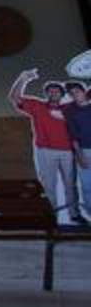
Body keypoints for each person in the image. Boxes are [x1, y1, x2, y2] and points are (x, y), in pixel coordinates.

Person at [9, 69, 85, 224]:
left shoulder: (69, 108)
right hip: (45, 151)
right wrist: (23, 78)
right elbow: (14, 97)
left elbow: (86, 95)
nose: (54, 93)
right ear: (46, 94)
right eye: (50, 91)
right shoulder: (37, 106)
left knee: (71, 186)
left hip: (67, 152)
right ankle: (51, 217)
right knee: (49, 186)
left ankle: (75, 214)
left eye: (57, 91)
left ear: (62, 94)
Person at [63, 80, 91, 221]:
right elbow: (73, 134)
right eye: (72, 94)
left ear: (84, 91)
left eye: (77, 92)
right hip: (85, 151)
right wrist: (79, 154)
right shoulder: (70, 110)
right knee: (87, 187)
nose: (75, 95)